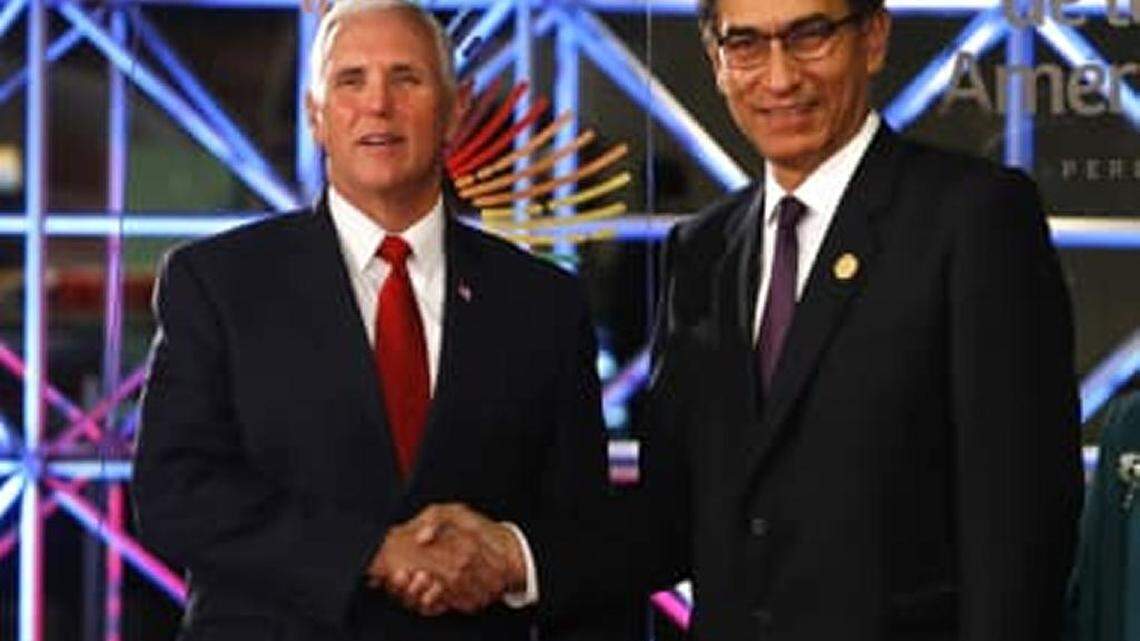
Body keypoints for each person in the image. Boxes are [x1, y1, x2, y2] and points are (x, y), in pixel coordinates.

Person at [131, 1, 629, 639]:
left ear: (453, 110)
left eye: (407, 78)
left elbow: (581, 532)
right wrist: (370, 551)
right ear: (315, 115)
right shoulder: (218, 283)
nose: (378, 104)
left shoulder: (543, 304)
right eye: (350, 80)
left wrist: (506, 556)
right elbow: (176, 494)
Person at [636, 0, 1083, 638]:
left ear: (873, 38)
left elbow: (1019, 524)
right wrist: (516, 555)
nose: (781, 76)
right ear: (716, 61)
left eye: (810, 36)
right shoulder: (701, 251)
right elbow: (670, 516)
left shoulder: (973, 217)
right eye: (746, 45)